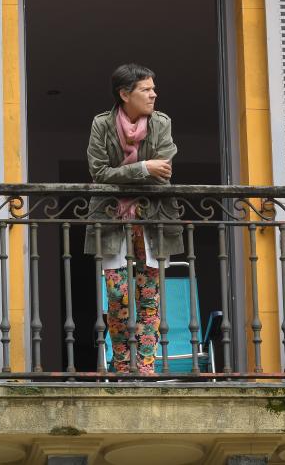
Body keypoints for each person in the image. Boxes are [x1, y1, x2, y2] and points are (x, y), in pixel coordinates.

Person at [84, 63, 184, 375]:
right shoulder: (101, 124)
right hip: (112, 219)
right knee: (117, 295)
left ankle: (146, 365)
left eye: (153, 88)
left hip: (153, 219)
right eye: (146, 89)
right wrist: (144, 168)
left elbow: (164, 174)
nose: (154, 94)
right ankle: (123, 362)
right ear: (125, 93)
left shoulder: (161, 123)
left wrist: (144, 172)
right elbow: (99, 173)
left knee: (149, 296)